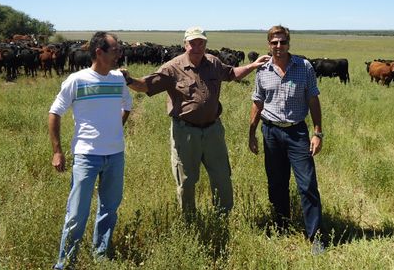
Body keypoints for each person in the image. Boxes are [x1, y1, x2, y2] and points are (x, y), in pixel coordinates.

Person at [123, 26, 269, 216]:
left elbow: (232, 74)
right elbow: (145, 85)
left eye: (201, 42)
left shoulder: (214, 63)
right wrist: (128, 79)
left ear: (206, 44)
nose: (197, 47)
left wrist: (252, 66)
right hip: (186, 132)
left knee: (222, 176)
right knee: (186, 179)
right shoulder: (172, 67)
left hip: (213, 131)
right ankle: (189, 219)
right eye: (193, 43)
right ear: (185, 44)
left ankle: (222, 216)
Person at [49, 31, 132, 269]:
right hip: (86, 156)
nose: (119, 54)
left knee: (109, 209)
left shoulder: (118, 79)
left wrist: (117, 127)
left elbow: (128, 105)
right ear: (99, 52)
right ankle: (65, 263)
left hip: (115, 155)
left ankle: (101, 256)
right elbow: (55, 112)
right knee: (76, 214)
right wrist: (57, 151)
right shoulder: (77, 80)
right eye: (115, 50)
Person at [248, 25, 325, 255]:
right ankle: (281, 225)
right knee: (276, 182)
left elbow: (313, 100)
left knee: (307, 184)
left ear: (289, 43)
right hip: (271, 132)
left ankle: (316, 237)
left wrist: (317, 132)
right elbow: (257, 102)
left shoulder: (304, 67)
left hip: (297, 133)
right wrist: (251, 133)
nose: (278, 46)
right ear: (268, 44)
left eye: (282, 42)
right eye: (274, 42)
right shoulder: (263, 70)